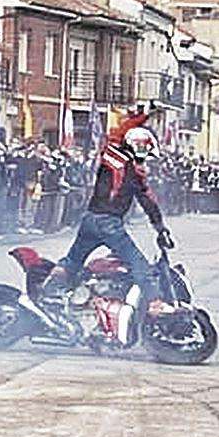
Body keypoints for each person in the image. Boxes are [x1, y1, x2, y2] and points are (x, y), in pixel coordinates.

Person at [41, 110, 172, 345]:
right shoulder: (116, 160)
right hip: (108, 223)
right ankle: (154, 303)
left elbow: (148, 200)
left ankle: (51, 292)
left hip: (91, 219)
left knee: (73, 260)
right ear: (136, 146)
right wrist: (142, 116)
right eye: (145, 152)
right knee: (140, 265)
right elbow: (147, 198)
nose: (146, 158)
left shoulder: (128, 167)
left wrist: (160, 227)